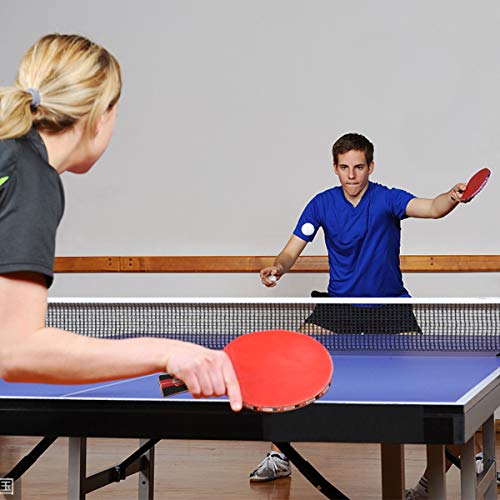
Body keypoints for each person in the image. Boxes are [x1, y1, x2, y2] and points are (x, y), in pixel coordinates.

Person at [0, 33, 241, 412]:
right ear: (99, 116)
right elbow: (16, 351)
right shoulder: (29, 177)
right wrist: (167, 351)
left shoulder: (9, 156)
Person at [251, 133, 482, 490]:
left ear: (370, 167)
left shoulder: (387, 199)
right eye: (344, 167)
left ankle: (471, 455)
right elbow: (291, 249)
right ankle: (279, 454)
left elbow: (432, 208)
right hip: (340, 308)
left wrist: (452, 198)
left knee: (439, 387)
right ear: (335, 168)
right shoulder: (321, 205)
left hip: (390, 308)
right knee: (290, 362)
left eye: (359, 167)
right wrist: (278, 268)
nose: (352, 175)